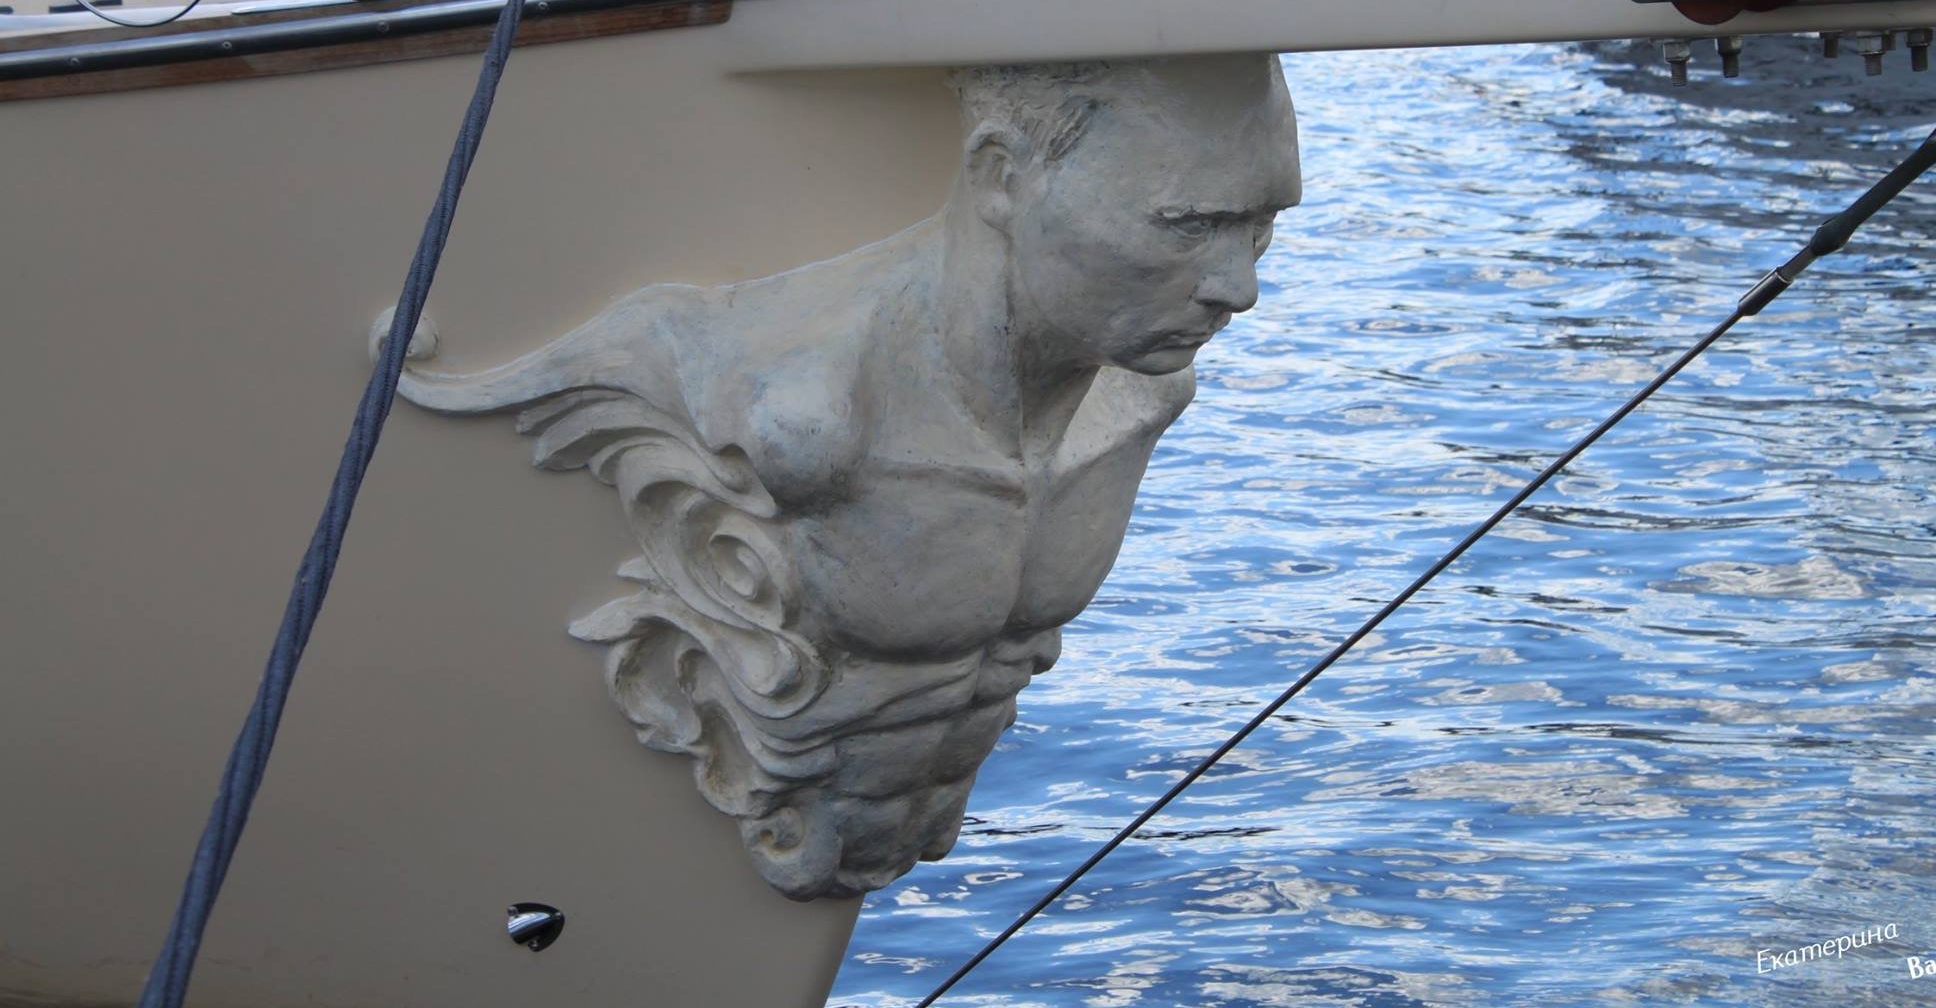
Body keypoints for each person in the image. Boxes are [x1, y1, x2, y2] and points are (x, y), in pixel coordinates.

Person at [394, 52, 1302, 897]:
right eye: (1188, 224)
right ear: (999, 175)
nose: (1240, 286)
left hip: (900, 838)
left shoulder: (1144, 399)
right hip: (740, 819)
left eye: (1260, 228)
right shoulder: (810, 417)